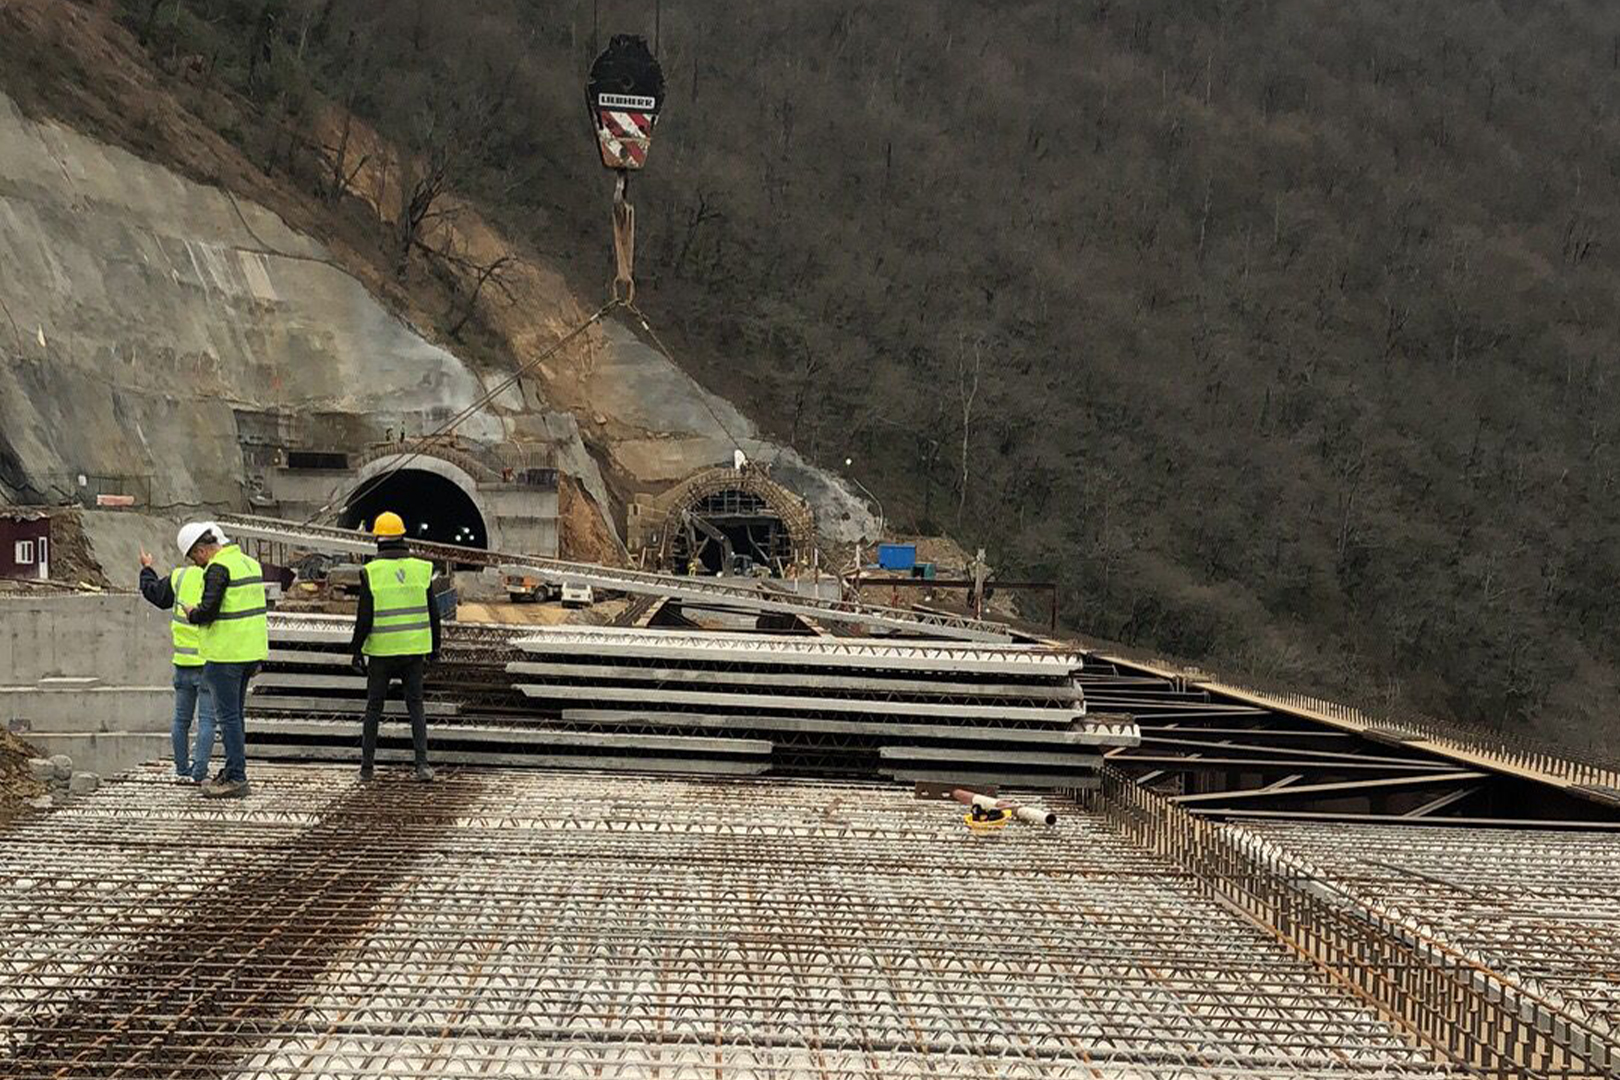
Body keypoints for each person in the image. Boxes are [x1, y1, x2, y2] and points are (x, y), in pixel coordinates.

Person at [349, 511, 440, 782]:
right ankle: (422, 765)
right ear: (403, 537)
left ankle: (366, 769)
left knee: (374, 708)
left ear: (378, 539)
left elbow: (364, 617)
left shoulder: (371, 572)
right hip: (413, 652)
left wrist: (356, 650)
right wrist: (435, 648)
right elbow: (433, 613)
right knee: (416, 707)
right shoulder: (421, 569)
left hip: (381, 653)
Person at [180, 524, 268, 799]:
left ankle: (238, 777)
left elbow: (209, 611)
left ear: (202, 550)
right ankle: (232, 770)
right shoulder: (249, 564)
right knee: (236, 716)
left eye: (196, 559)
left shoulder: (218, 568)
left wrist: (192, 613)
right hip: (249, 652)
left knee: (228, 717)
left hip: (226, 654)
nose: (198, 565)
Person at [137, 524, 218, 784]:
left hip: (182, 663)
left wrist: (147, 569)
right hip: (207, 663)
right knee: (206, 721)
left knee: (181, 721)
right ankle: (199, 772)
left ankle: (182, 768)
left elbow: (155, 594)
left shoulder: (179, 577)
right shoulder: (217, 578)